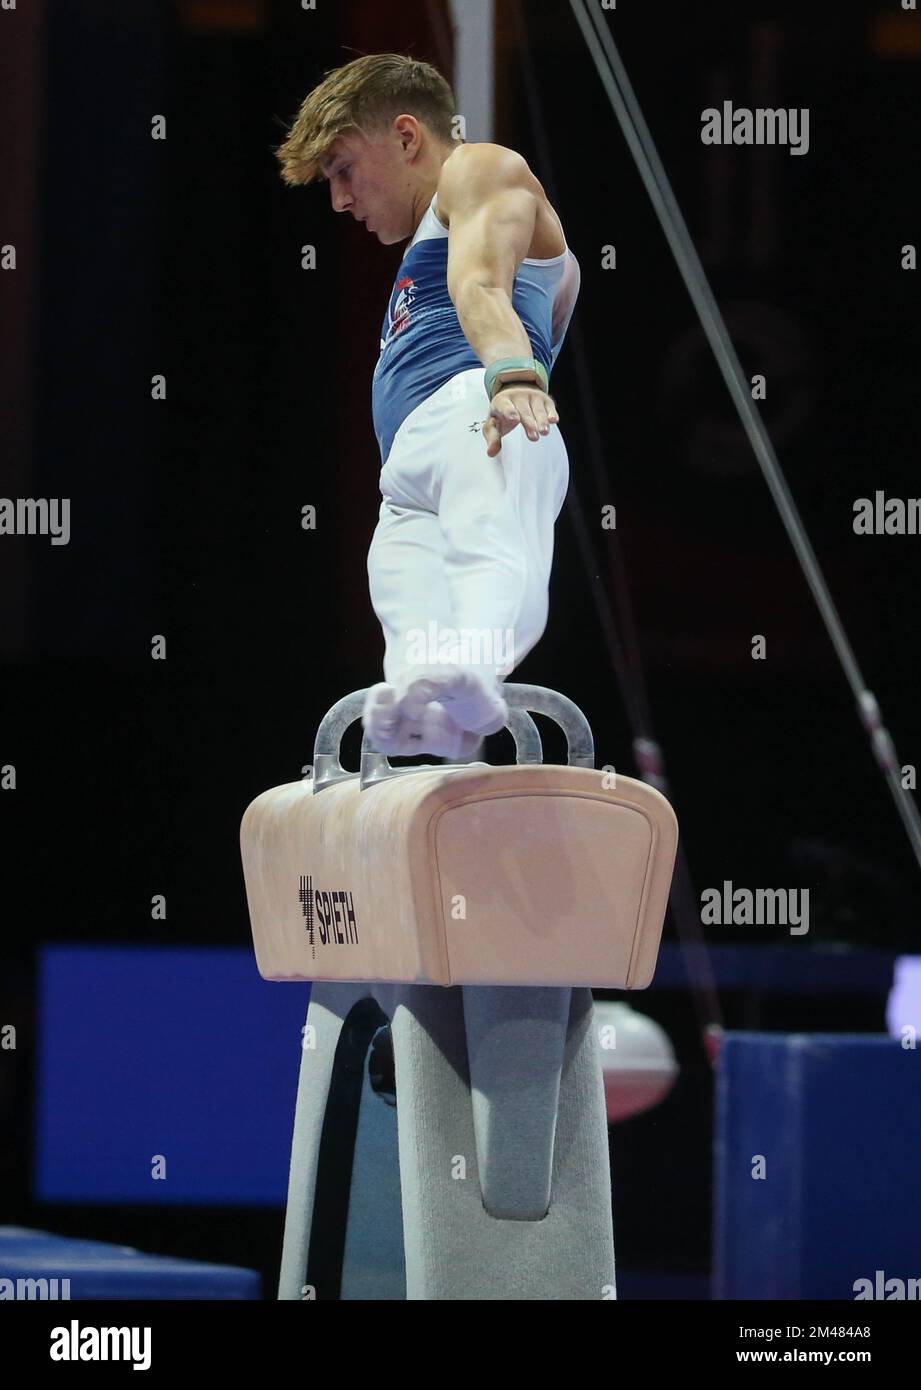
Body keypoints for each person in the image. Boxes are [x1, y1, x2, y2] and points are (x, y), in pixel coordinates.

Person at [276, 53, 580, 758]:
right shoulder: (436, 235)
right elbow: (552, 285)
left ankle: (474, 672)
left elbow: (481, 286)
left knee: (492, 549)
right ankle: (427, 704)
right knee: (404, 601)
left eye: (343, 170)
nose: (339, 201)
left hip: (482, 414)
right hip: (412, 466)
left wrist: (510, 375)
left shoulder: (481, 170)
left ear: (407, 137)